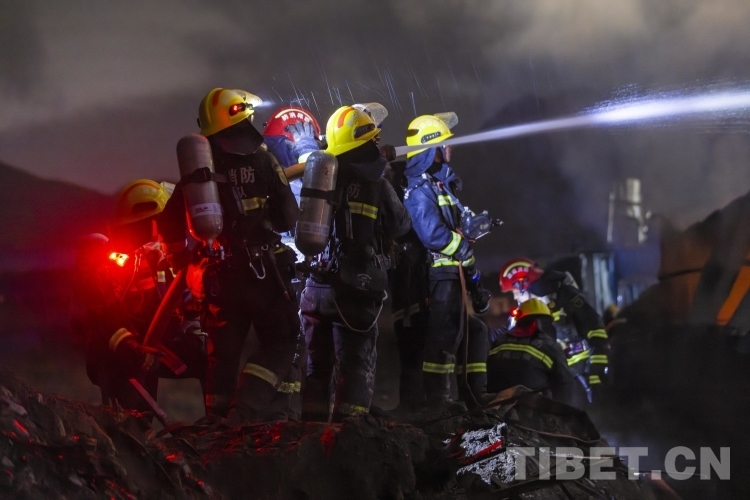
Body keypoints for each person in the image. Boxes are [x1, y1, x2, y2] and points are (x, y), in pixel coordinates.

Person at [158, 88, 300, 422]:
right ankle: (247, 410)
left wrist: (181, 263)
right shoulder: (264, 160)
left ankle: (216, 425)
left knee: (222, 355)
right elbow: (287, 218)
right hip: (264, 275)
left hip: (220, 279)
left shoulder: (200, 169)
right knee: (281, 343)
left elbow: (168, 224)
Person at [299, 104, 411, 422]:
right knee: (356, 364)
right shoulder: (377, 183)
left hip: (316, 287)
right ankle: (348, 434)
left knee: (317, 366)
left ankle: (310, 433)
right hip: (354, 289)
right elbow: (402, 225)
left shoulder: (320, 175)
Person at [70, 179, 207, 412]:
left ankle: (219, 420)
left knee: (209, 359)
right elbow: (103, 315)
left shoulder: (168, 260)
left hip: (155, 346)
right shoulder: (108, 264)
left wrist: (194, 329)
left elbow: (186, 301)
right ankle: (134, 427)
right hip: (117, 354)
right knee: (139, 405)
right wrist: (129, 346)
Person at [402, 113, 492, 408]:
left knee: (469, 333)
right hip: (438, 278)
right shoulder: (419, 189)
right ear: (433, 149)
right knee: (442, 340)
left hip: (451, 276)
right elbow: (432, 235)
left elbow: (453, 229)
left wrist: (469, 230)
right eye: (445, 144)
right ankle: (438, 403)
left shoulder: (439, 186)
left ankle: (474, 400)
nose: (450, 148)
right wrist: (462, 246)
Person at [499, 258, 610, 403]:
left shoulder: (565, 296)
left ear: (523, 285)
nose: (515, 297)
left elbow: (596, 329)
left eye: (515, 292)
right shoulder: (523, 314)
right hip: (549, 381)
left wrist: (595, 372)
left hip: (580, 376)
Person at [384, 156, 430, 409]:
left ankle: (412, 404)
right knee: (415, 352)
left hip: (405, 295)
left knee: (410, 353)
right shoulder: (409, 205)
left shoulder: (399, 205)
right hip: (411, 294)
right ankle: (415, 405)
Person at [487, 298, 575, 404]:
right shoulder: (550, 346)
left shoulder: (499, 341)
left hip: (494, 405)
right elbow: (565, 384)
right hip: (531, 408)